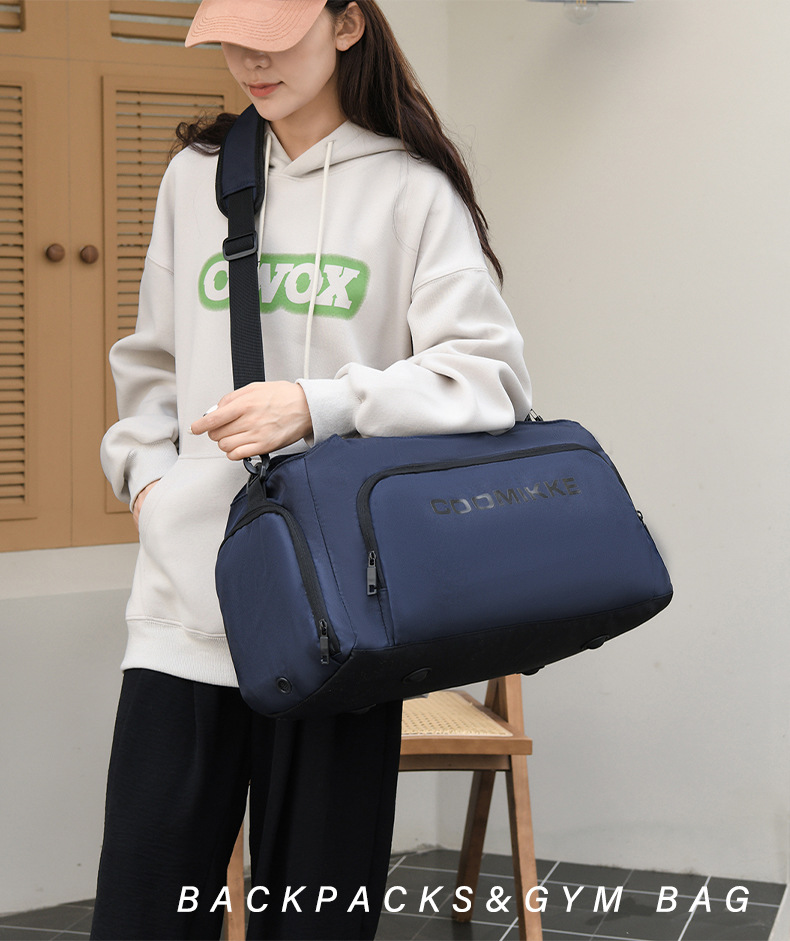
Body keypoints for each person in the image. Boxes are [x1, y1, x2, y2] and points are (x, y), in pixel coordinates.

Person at [92, 1, 532, 938]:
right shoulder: (198, 175)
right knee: (142, 909)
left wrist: (319, 402)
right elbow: (152, 363)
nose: (249, 60)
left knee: (316, 917)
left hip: (339, 620)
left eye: (276, 34)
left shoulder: (412, 191)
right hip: (185, 604)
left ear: (345, 25)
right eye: (232, 39)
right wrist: (146, 481)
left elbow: (488, 378)